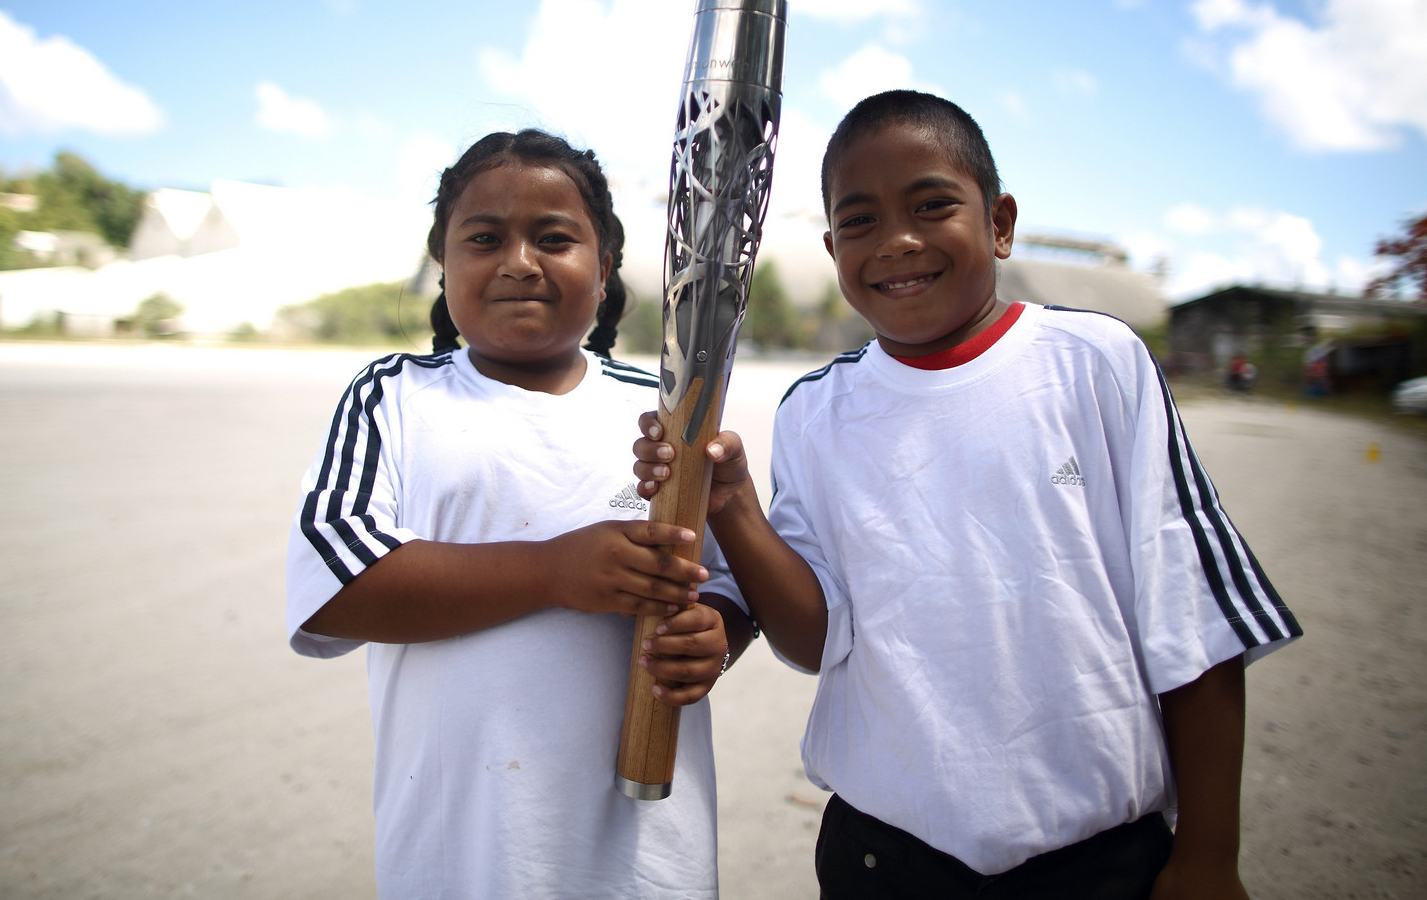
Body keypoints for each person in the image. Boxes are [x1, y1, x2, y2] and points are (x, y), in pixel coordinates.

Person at [633, 91, 1302, 898]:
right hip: (885, 857)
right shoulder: (816, 412)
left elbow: (1192, 623)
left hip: (1098, 859)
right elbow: (815, 640)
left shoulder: (1095, 364)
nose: (897, 242)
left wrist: (1207, 855)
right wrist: (732, 502)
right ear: (833, 245)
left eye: (931, 204)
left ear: (1000, 221)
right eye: (860, 221)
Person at [285, 129, 751, 900]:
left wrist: (719, 637)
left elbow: (728, 586)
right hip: (461, 858)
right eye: (485, 237)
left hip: (645, 862)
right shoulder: (395, 396)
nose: (520, 261)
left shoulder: (665, 410)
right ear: (444, 262)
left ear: (604, 268)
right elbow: (337, 587)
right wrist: (552, 571)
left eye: (555, 237)